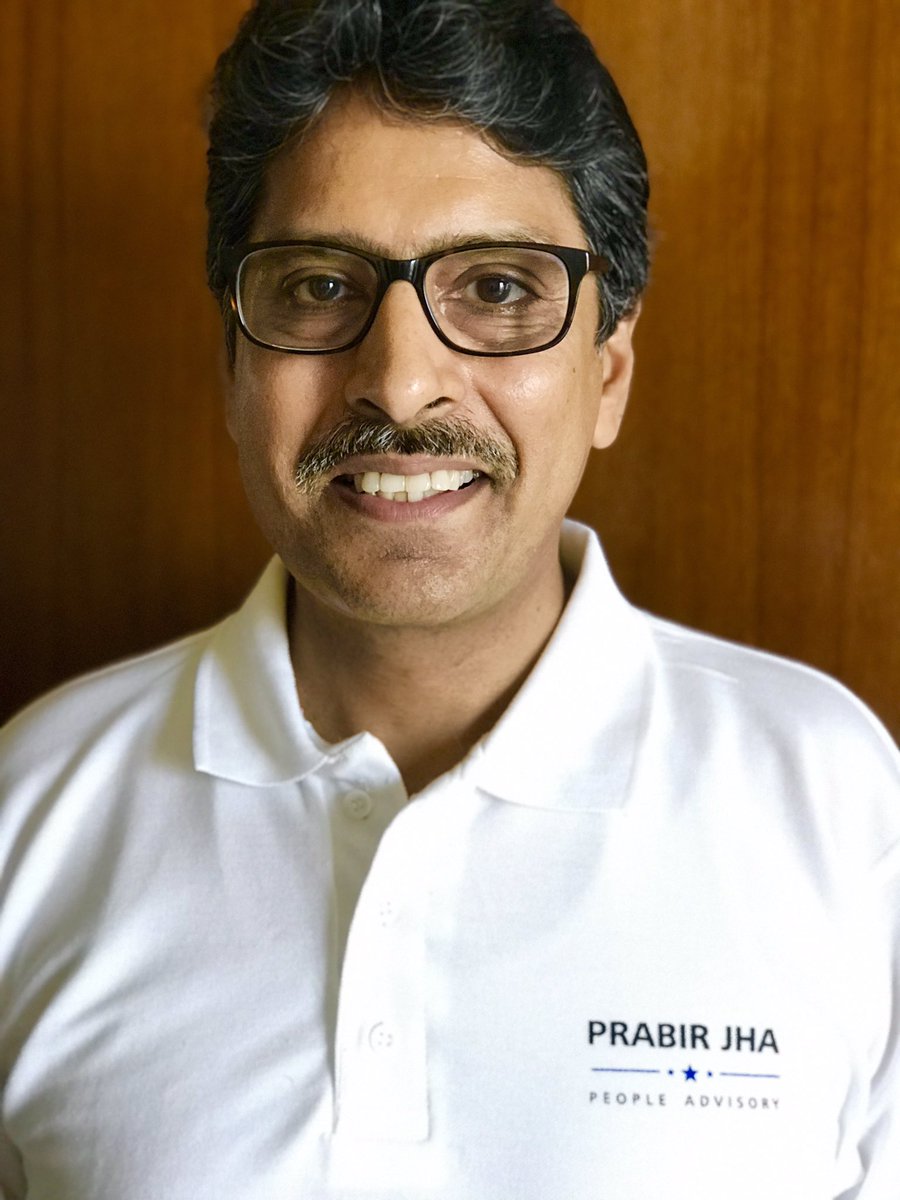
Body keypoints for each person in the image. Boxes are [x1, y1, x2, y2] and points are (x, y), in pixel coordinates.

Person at [0, 1, 897, 1196]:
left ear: (609, 371)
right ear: (232, 366)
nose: (402, 380)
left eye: (497, 286)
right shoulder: (30, 812)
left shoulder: (838, 805)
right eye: (321, 284)